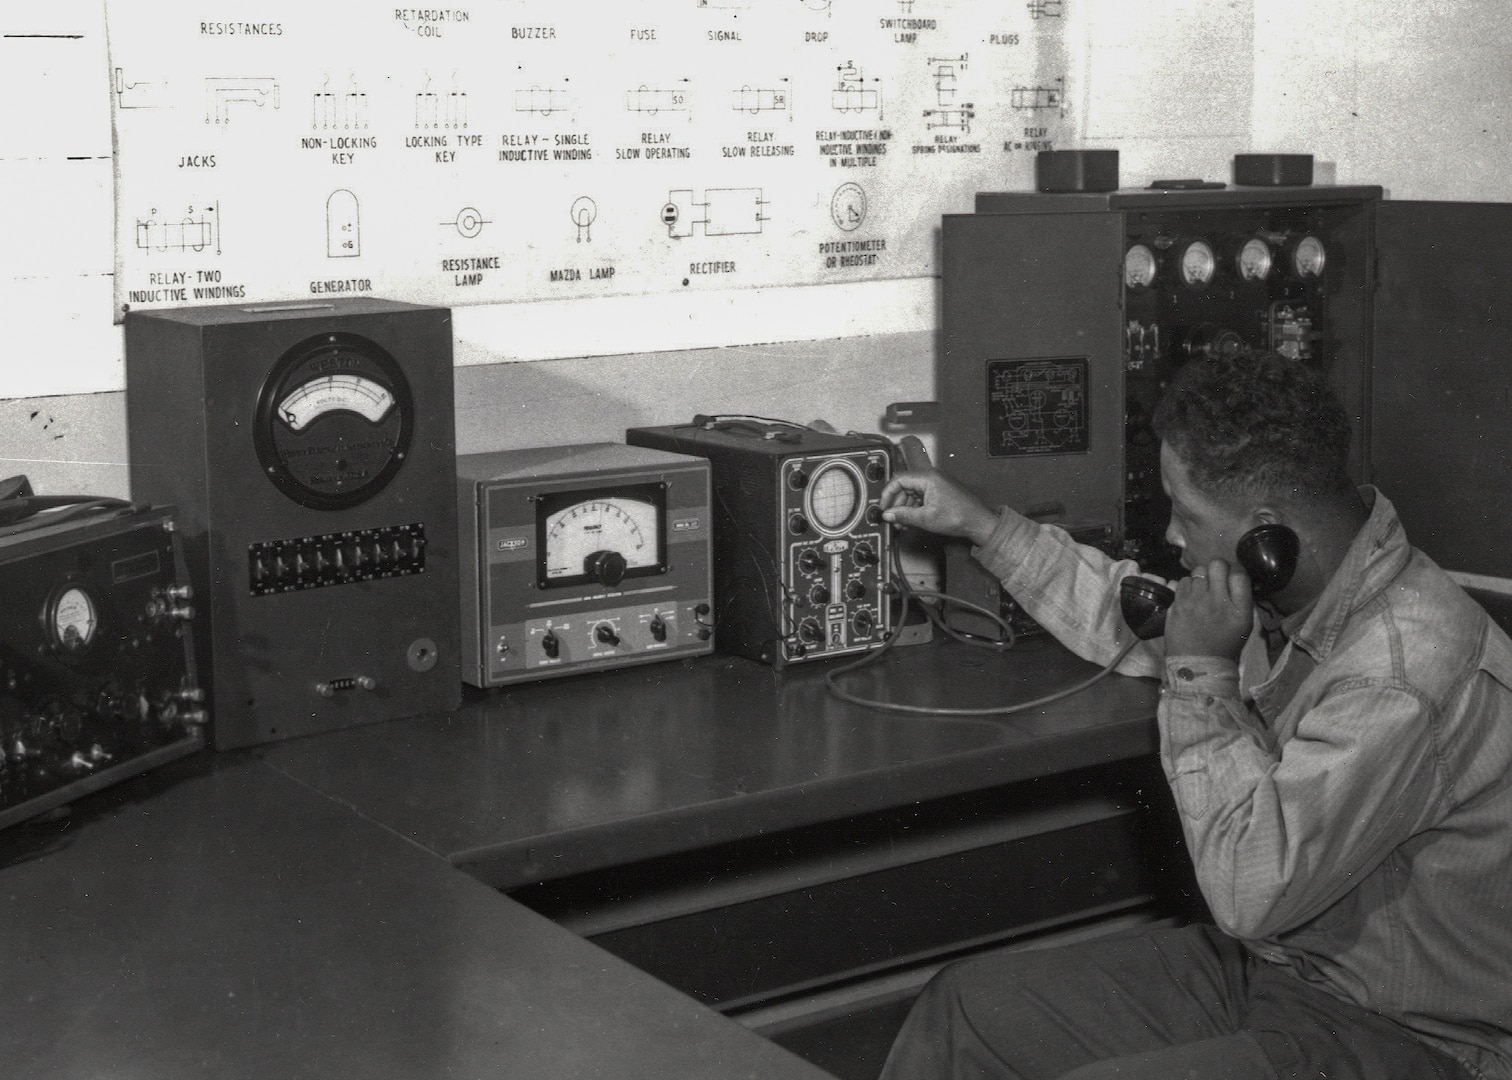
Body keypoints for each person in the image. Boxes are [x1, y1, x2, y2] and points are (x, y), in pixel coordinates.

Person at [874, 350, 1512, 1080]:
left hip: (1419, 1037)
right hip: (1292, 972)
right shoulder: (1300, 592)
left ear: (1264, 532)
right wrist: (988, 528)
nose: (1174, 537)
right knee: (969, 1010)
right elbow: (1132, 615)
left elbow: (1250, 888)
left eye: (1186, 514)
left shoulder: (1404, 671)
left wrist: (1199, 676)